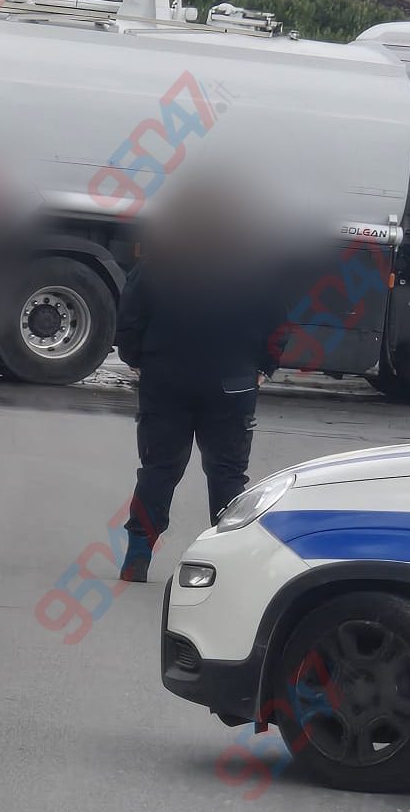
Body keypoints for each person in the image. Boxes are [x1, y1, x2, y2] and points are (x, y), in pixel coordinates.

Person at [113, 181, 291, 582]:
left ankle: (138, 555)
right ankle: (227, 566)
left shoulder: (160, 261)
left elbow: (130, 317)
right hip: (232, 384)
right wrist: (264, 366)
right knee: (227, 475)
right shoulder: (254, 267)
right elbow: (277, 323)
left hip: (166, 381)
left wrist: (137, 359)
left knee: (158, 469)